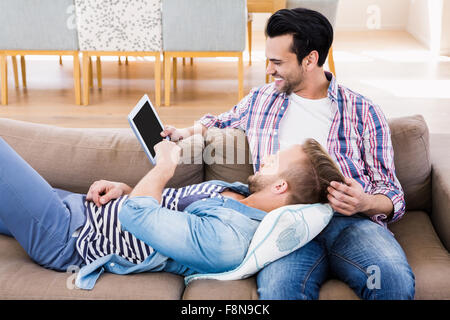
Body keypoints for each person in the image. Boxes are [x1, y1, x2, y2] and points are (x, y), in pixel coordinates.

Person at [160, 8, 415, 299]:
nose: (269, 70)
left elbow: (391, 191)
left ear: (310, 60)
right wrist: (184, 133)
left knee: (390, 281)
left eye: (277, 62)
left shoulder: (364, 112)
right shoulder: (261, 99)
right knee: (281, 291)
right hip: (285, 226)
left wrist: (365, 202)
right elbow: (218, 122)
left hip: (350, 223)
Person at [0, 136, 344, 290]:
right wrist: (126, 189)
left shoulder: (229, 239)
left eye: (274, 161)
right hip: (78, 207)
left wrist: (164, 166)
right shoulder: (239, 194)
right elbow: (156, 206)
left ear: (281, 187)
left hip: (66, 236)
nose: (265, 159)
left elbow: (138, 217)